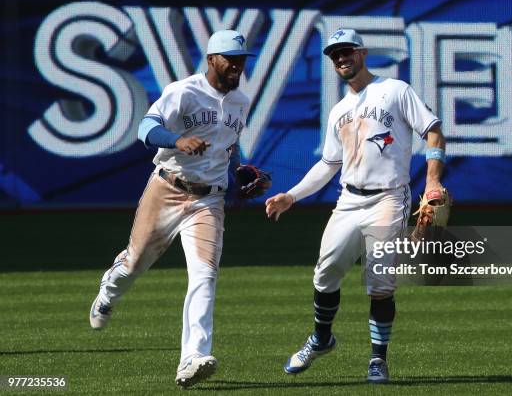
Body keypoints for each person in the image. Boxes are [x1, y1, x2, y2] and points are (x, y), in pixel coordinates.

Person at [265, 28, 447, 383]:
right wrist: (292, 195)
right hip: (348, 200)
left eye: (346, 51)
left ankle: (378, 359)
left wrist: (433, 180)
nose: (341, 58)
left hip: (389, 197)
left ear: (362, 53)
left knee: (380, 281)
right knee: (325, 273)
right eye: (335, 55)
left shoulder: (395, 90)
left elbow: (434, 130)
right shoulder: (339, 111)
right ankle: (321, 339)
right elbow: (328, 164)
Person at [89, 29, 255, 388]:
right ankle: (108, 292)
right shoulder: (185, 91)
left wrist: (242, 172)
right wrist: (176, 139)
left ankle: (192, 358)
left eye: (241, 59)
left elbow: (231, 144)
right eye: (230, 58)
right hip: (167, 187)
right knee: (134, 263)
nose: (237, 65)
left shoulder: (241, 100)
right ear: (212, 59)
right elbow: (145, 128)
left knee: (205, 275)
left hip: (209, 199)